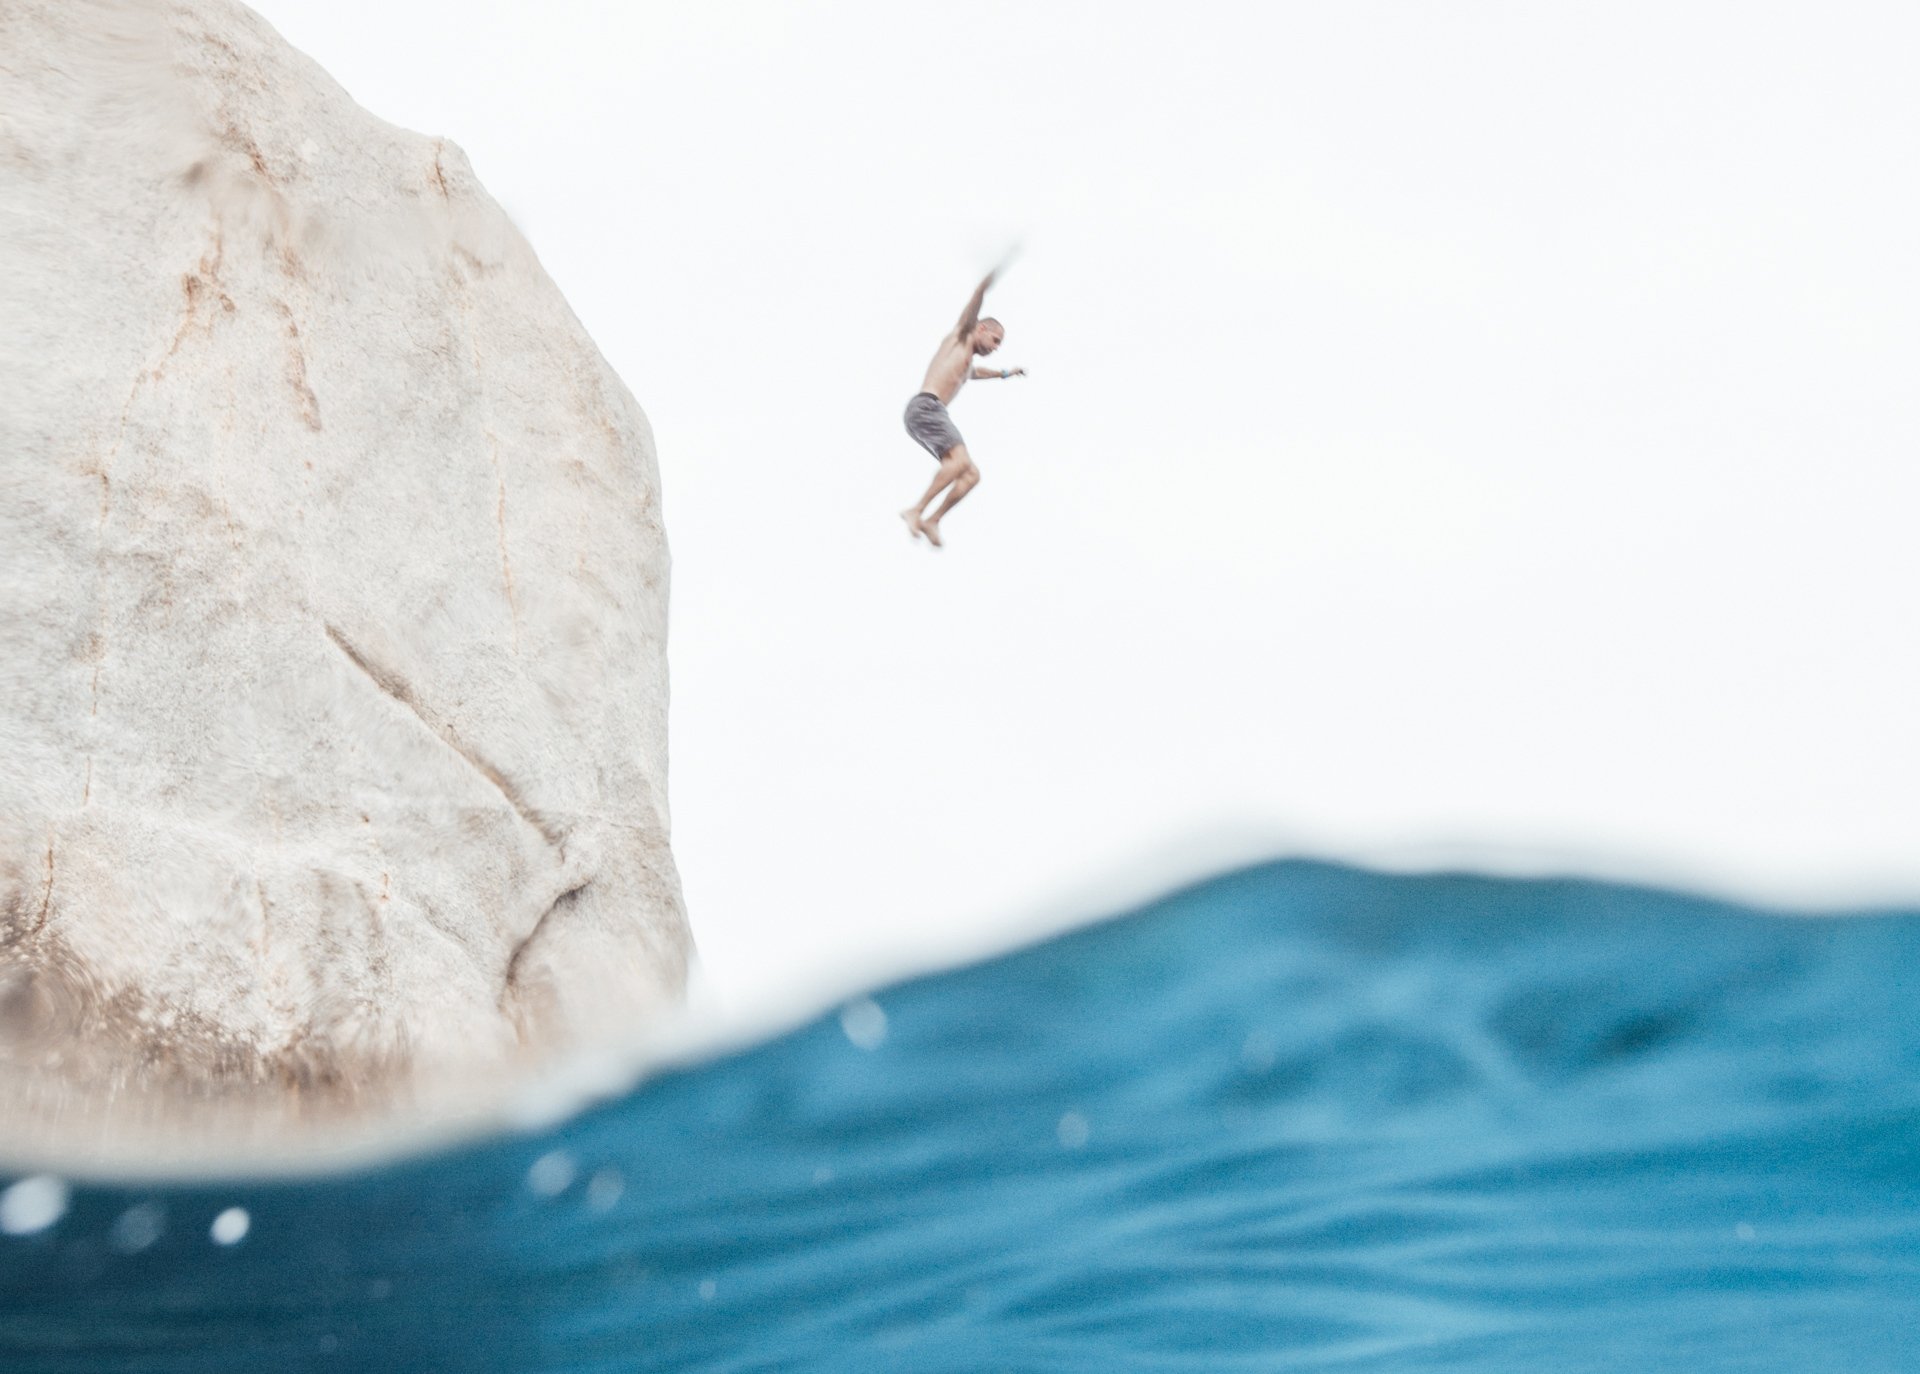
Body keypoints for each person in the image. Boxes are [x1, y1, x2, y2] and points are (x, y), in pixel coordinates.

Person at [899, 269, 1024, 548]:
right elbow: (976, 299)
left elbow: (979, 373)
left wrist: (1006, 373)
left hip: (927, 413)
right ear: (981, 329)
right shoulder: (961, 336)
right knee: (959, 463)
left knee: (970, 475)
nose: (996, 347)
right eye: (995, 340)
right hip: (926, 406)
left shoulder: (966, 364)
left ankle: (933, 520)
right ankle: (916, 510)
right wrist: (987, 280)